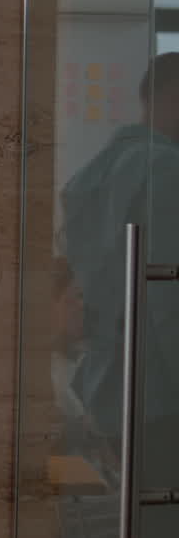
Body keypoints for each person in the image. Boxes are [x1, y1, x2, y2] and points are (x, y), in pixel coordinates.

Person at [60, 52, 179, 453]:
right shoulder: (163, 169)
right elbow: (166, 295)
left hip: (109, 379)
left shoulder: (100, 168)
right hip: (157, 387)